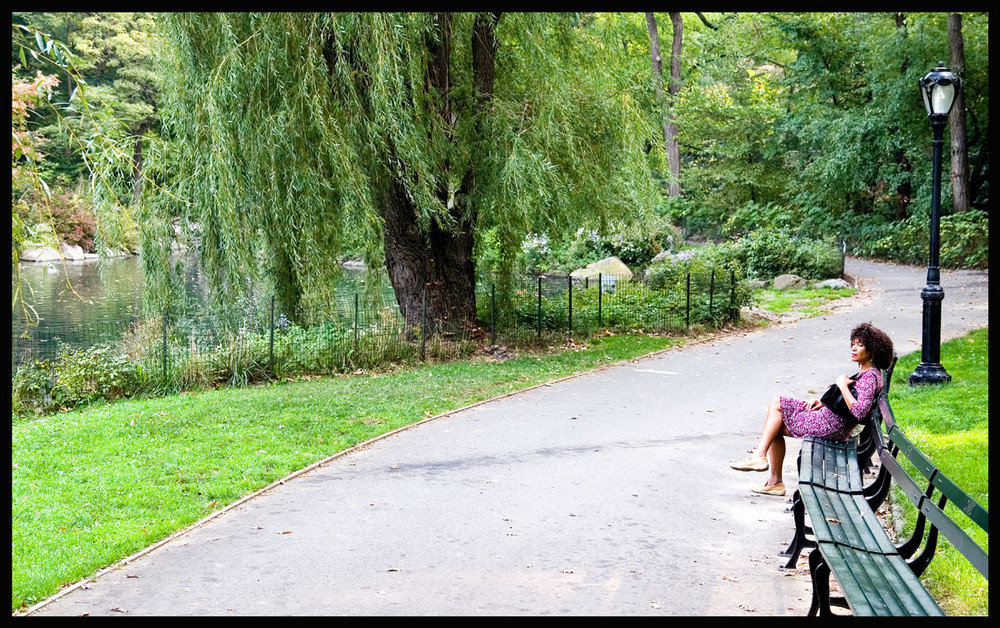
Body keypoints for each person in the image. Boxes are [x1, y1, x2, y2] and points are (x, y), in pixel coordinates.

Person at [729, 322, 894, 496]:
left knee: (776, 411)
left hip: (831, 426)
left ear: (873, 350)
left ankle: (762, 462)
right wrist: (825, 402)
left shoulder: (869, 377)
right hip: (830, 417)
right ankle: (772, 479)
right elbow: (851, 404)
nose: (854, 348)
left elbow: (860, 411)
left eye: (860, 345)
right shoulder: (868, 373)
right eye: (853, 344)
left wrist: (842, 385)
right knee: (776, 413)